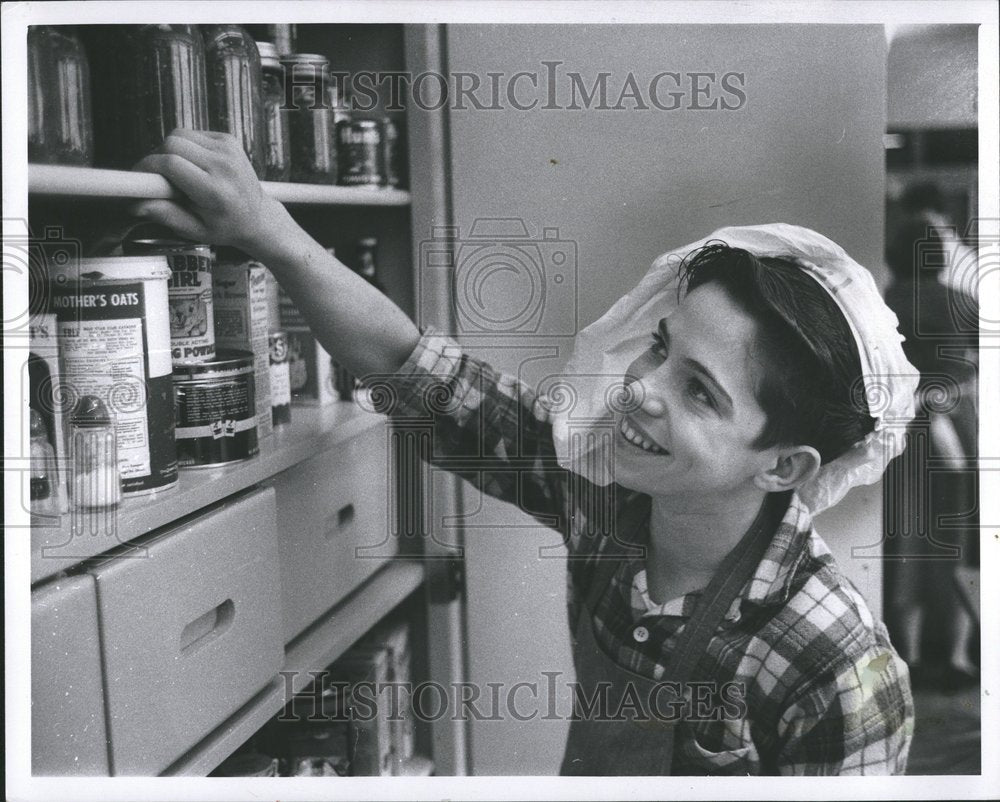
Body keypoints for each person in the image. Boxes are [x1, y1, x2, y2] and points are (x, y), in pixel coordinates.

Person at [131, 129, 916, 775]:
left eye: (700, 392)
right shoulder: (604, 496)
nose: (641, 390)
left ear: (784, 466)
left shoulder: (834, 661)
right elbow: (426, 376)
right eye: (660, 352)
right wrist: (274, 235)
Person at [883, 217, 979, 691]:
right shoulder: (963, 302)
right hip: (959, 431)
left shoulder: (888, 302)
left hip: (906, 432)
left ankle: (912, 655)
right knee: (959, 545)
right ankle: (958, 655)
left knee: (907, 543)